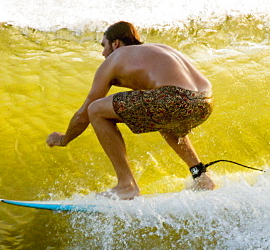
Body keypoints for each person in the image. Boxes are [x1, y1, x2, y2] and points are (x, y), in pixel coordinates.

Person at [47, 21, 216, 199]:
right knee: (163, 118)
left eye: (104, 45)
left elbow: (84, 113)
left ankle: (126, 185)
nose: (103, 53)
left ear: (115, 43)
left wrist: (64, 139)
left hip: (173, 98)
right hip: (204, 101)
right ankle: (201, 176)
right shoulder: (158, 50)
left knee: (95, 109)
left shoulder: (116, 57)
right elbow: (178, 94)